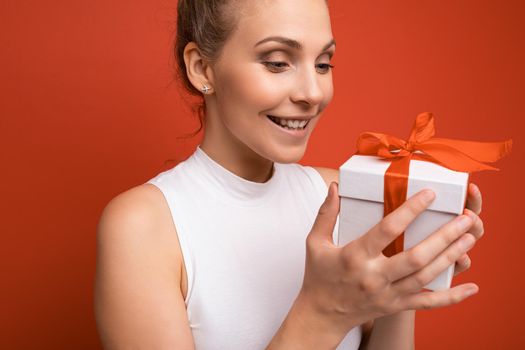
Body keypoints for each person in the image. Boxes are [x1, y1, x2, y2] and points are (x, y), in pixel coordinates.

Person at [94, 0, 484, 349]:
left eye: (323, 64)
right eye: (277, 61)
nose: (313, 93)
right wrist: (324, 312)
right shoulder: (144, 225)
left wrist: (403, 282)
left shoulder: (338, 195)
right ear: (202, 68)